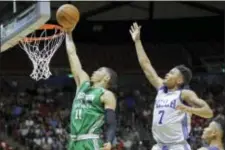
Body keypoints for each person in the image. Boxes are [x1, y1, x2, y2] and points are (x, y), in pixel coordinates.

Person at [129, 22, 213, 150]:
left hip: (177, 147)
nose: (167, 74)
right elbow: (146, 65)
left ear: (179, 80)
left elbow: (208, 113)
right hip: (158, 146)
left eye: (172, 73)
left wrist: (189, 109)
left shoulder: (185, 94)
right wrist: (137, 41)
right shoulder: (161, 88)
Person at [65, 27, 117, 150]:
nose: (94, 71)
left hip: (90, 141)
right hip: (73, 141)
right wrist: (68, 34)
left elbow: (111, 122)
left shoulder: (106, 94)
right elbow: (72, 55)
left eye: (99, 70)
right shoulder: (83, 83)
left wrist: (109, 141)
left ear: (106, 78)